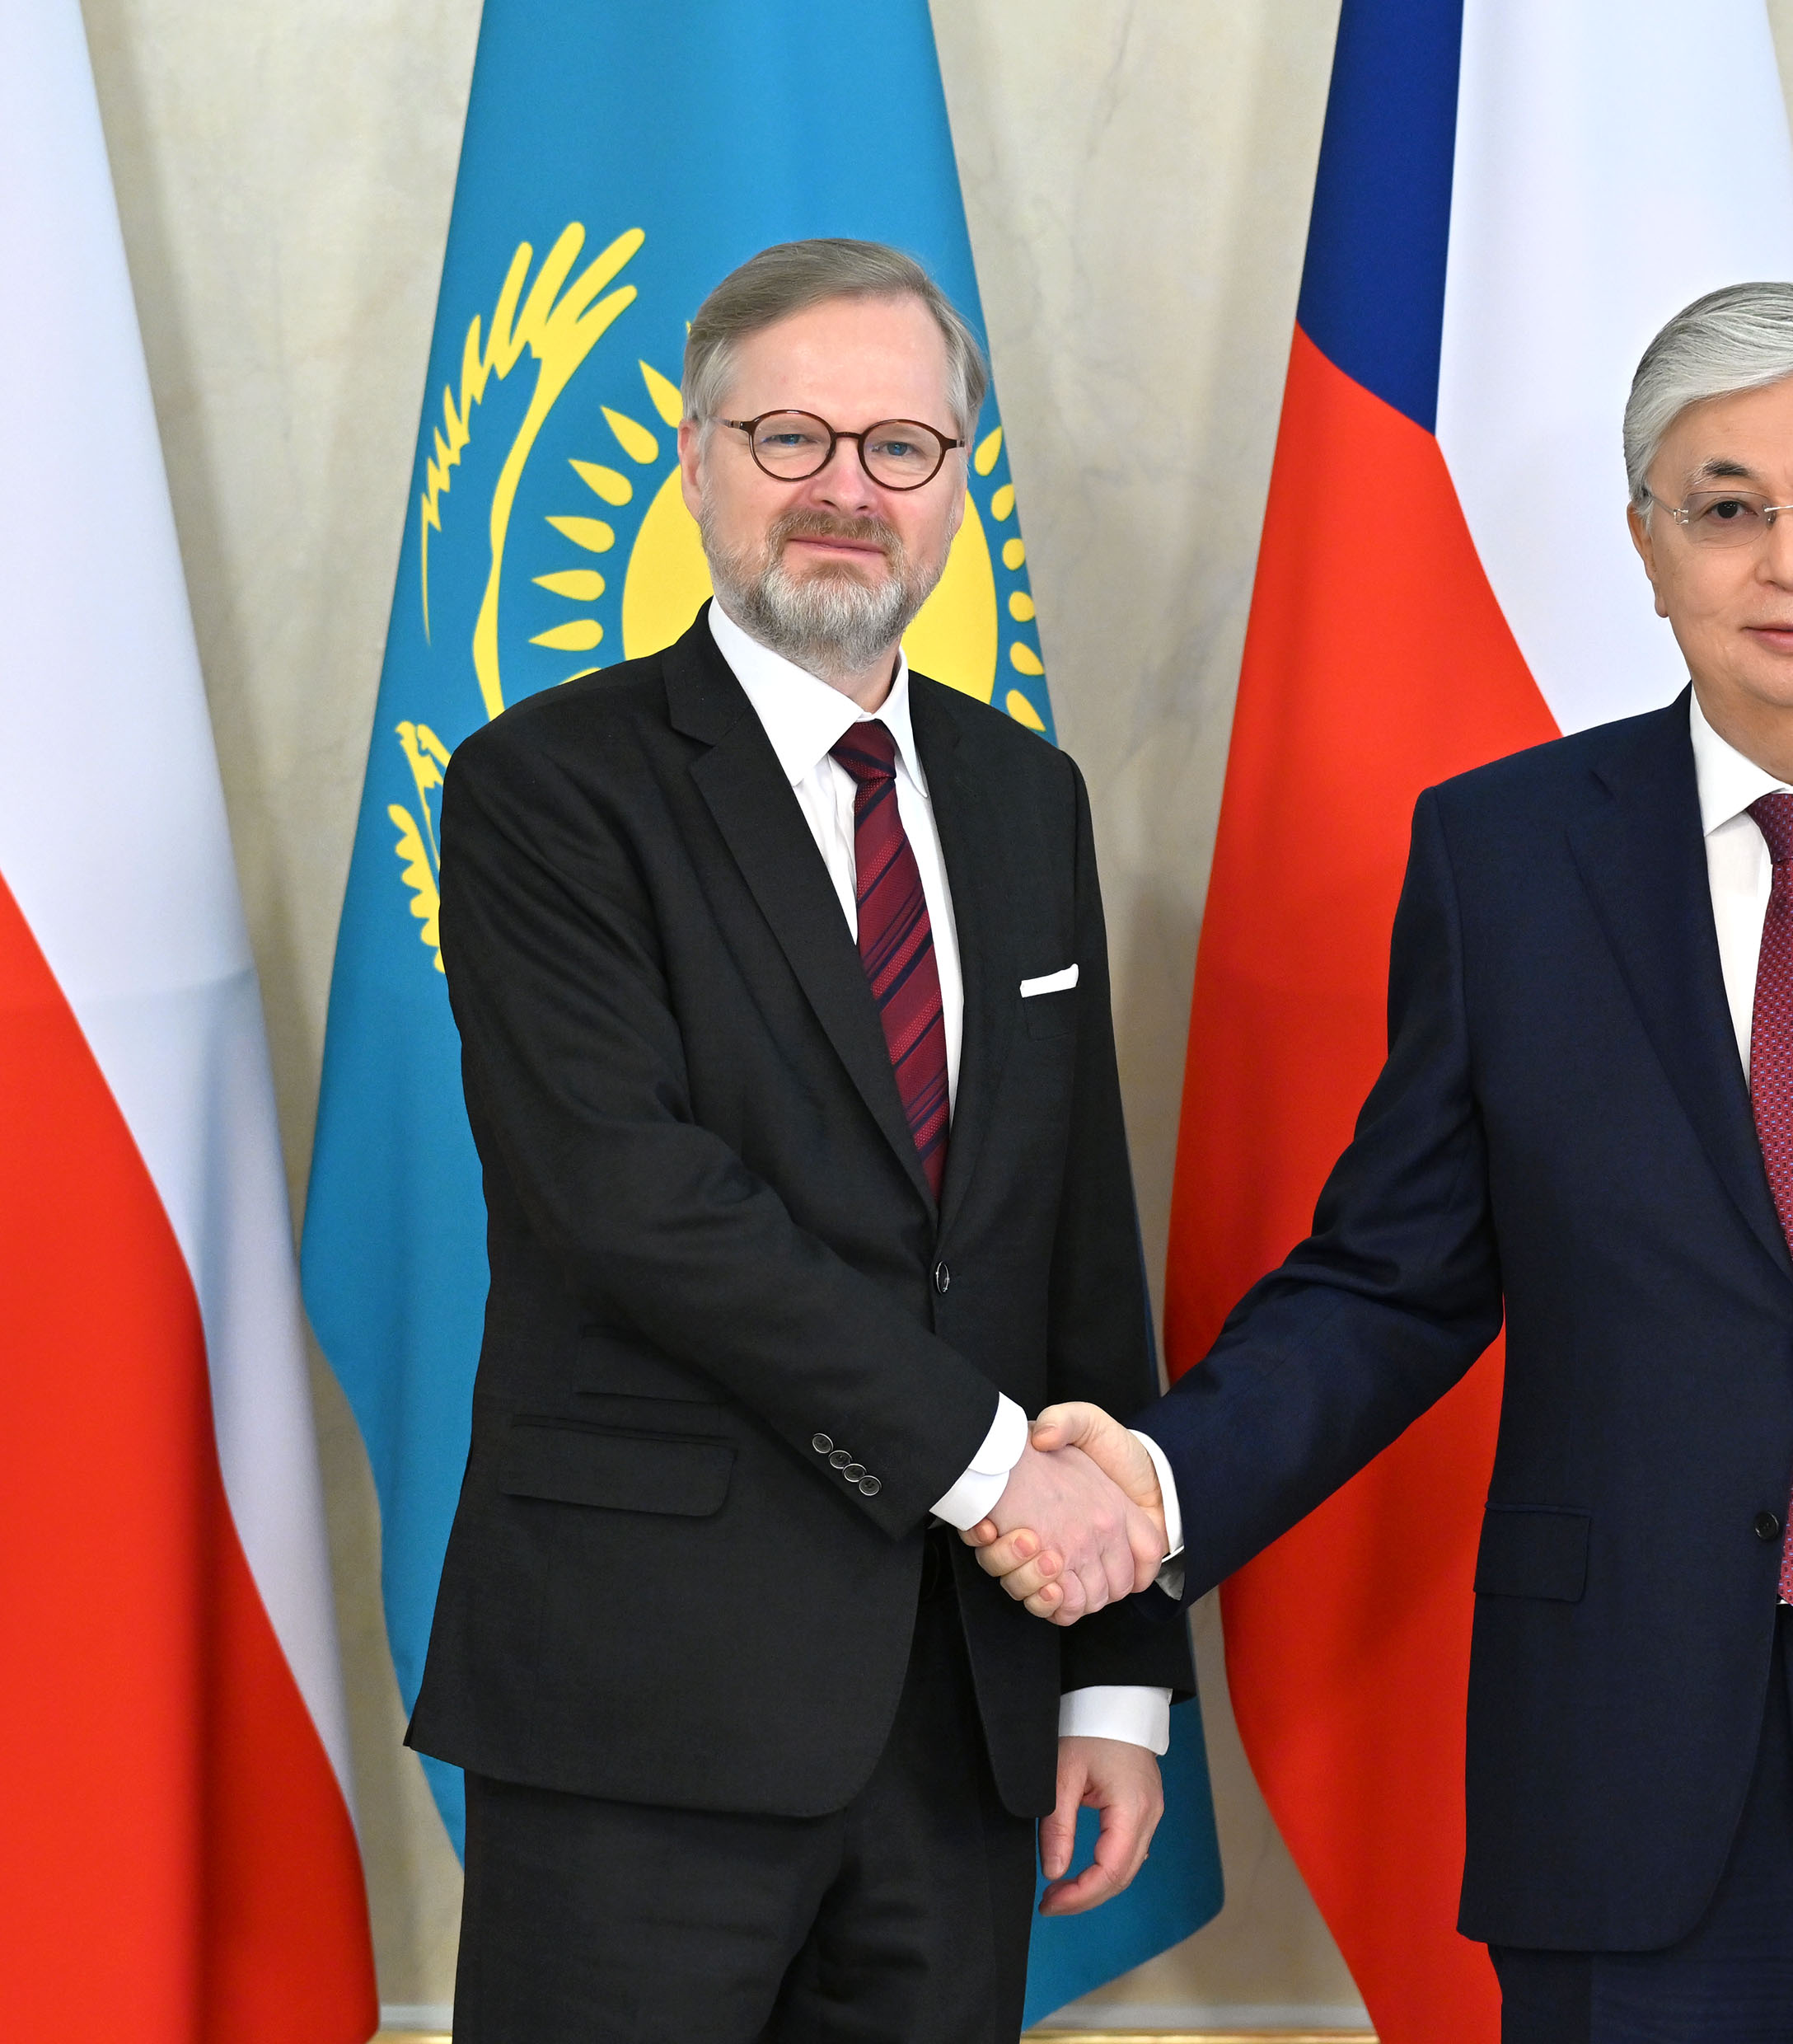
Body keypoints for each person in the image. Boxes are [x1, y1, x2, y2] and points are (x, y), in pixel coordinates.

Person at [974, 282, 1793, 2042]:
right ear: (1645, 543)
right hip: (1626, 1768)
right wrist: (1159, 1485)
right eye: (1725, 506)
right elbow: (1389, 1282)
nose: (1789, 558)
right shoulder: (1506, 859)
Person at [414, 238, 1190, 2044]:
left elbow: (1073, 1230)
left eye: (900, 446)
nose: (848, 487)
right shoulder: (547, 788)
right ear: (697, 462)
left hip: (968, 1701)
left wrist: (1115, 1672)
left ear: (953, 487)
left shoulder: (1026, 797)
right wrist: (1000, 1477)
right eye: (792, 438)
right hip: (645, 1703)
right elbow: (634, 1205)